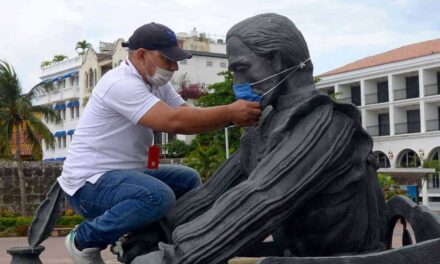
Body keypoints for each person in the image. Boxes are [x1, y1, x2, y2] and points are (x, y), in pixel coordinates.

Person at [132, 13, 387, 264]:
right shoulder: (267, 121)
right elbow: (213, 194)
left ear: (275, 60)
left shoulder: (327, 124)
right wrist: (158, 231)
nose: (238, 83)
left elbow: (263, 198)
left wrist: (172, 258)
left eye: (242, 69)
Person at [59, 22, 261, 264]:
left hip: (123, 176)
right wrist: (230, 113)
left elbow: (187, 115)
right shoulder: (119, 83)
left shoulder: (156, 83)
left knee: (188, 180)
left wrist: (233, 116)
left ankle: (147, 241)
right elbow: (174, 121)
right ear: (141, 55)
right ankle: (83, 239)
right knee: (157, 196)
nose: (174, 67)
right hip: (88, 185)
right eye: (168, 60)